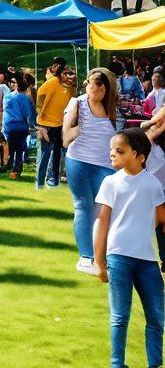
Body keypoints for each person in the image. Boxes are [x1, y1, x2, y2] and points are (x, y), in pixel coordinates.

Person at [93, 128, 165, 368]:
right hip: (118, 256)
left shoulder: (154, 185)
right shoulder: (110, 183)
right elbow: (101, 223)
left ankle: (155, 367)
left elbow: (161, 222)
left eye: (120, 150)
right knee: (120, 317)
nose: (113, 153)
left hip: (147, 261)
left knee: (157, 317)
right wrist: (98, 262)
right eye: (112, 149)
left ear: (139, 156)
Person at [64, 69, 119, 276]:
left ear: (107, 87)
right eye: (91, 83)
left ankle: (101, 257)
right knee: (83, 207)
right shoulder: (77, 103)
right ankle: (86, 257)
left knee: (104, 211)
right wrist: (73, 129)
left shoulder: (112, 108)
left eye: (99, 84)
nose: (93, 87)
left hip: (105, 166)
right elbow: (65, 136)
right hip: (78, 161)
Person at [36, 63, 73, 189]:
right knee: (50, 154)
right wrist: (41, 112)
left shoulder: (63, 84)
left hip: (56, 124)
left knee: (52, 155)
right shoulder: (56, 83)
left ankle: (49, 182)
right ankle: (44, 182)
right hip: (50, 124)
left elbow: (71, 101)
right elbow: (40, 95)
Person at [3, 77, 37, 179]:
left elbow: (4, 112)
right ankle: (16, 169)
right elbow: (29, 115)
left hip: (9, 126)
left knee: (11, 148)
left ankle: (9, 167)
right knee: (20, 149)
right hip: (21, 126)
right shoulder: (25, 98)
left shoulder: (7, 96)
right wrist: (36, 125)